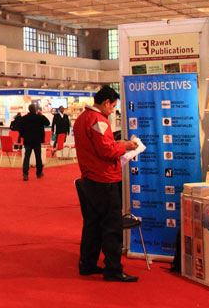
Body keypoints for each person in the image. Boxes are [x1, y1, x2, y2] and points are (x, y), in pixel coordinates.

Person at [73, 85, 139, 283]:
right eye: (112, 107)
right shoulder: (98, 121)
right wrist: (124, 146)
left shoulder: (82, 119)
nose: (112, 111)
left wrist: (117, 145)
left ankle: (87, 263)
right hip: (104, 179)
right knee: (112, 226)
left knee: (92, 223)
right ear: (105, 103)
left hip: (90, 178)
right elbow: (106, 151)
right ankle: (113, 269)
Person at [19, 103, 50, 181]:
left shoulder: (24, 118)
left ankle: (25, 173)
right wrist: (41, 115)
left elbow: (21, 130)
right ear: (35, 110)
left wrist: (25, 136)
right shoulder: (39, 117)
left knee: (27, 157)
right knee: (38, 157)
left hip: (28, 140)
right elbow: (48, 123)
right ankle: (39, 173)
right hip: (37, 140)